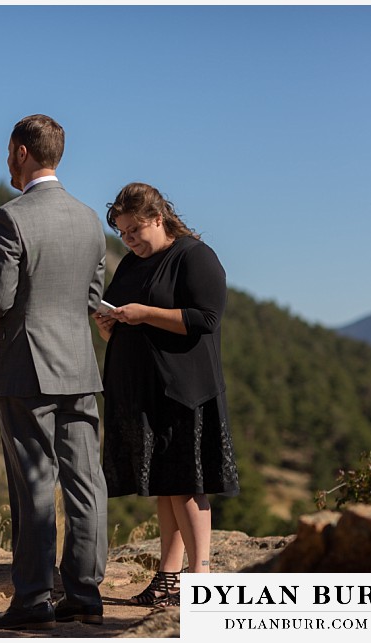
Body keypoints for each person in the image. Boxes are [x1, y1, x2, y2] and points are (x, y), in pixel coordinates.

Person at [0, 114, 109, 630]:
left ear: (21, 152)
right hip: (81, 366)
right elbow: (92, 296)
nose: (6, 160)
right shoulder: (90, 219)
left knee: (33, 484)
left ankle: (32, 600)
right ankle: (86, 594)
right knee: (86, 482)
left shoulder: (10, 217)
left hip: (27, 366)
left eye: (8, 151)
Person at [92, 181, 240, 606]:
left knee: (187, 483)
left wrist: (144, 314)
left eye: (135, 229)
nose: (129, 239)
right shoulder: (132, 265)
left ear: (159, 218)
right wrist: (110, 327)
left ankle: (201, 582)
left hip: (184, 390)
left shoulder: (195, 256)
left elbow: (206, 318)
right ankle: (168, 578)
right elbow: (125, 319)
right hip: (145, 391)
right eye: (122, 233)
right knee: (164, 484)